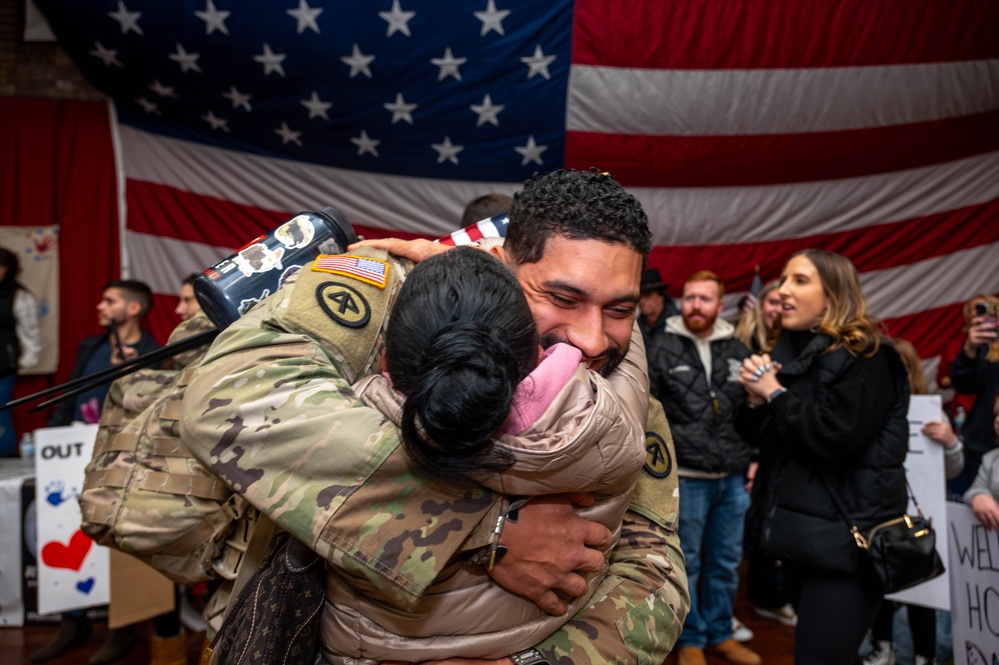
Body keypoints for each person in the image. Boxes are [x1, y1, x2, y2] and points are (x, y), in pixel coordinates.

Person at [181, 168, 689, 665]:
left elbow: (655, 570)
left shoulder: (624, 393)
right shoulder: (396, 307)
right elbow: (230, 401)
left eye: (621, 310)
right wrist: (486, 531)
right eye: (561, 298)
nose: (593, 339)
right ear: (499, 268)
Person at [317, 246, 648, 663]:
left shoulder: (356, 422)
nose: (591, 337)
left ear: (385, 361)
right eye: (563, 299)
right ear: (537, 353)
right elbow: (634, 365)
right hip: (533, 643)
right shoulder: (616, 421)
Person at [735, 249, 910, 665]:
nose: (782, 290)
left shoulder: (870, 357)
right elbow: (755, 438)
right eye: (783, 279)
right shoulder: (792, 354)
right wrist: (755, 402)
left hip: (850, 548)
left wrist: (775, 392)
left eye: (800, 280)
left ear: (832, 295)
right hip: (802, 541)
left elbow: (837, 440)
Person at [34, 280, 161, 663]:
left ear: (133, 308)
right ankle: (73, 622)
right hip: (70, 454)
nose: (100, 306)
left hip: (120, 461)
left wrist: (133, 374)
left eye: (110, 300)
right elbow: (71, 393)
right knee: (66, 530)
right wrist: (52, 431)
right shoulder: (89, 346)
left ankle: (120, 628)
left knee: (112, 540)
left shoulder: (155, 353)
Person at [647, 271, 759, 665]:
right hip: (688, 479)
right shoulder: (660, 348)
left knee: (727, 563)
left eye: (705, 299)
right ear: (683, 300)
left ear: (720, 304)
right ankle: (691, 639)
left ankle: (720, 633)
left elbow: (754, 411)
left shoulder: (739, 350)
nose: (697, 305)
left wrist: (754, 457)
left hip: (731, 477)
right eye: (691, 297)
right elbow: (649, 418)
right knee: (688, 563)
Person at [862, 338, 963, 665]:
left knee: (922, 585)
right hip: (881, 516)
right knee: (882, 582)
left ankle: (925, 655)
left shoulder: (932, 414)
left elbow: (952, 470)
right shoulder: (866, 410)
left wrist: (950, 444)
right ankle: (884, 647)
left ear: (911, 371)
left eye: (899, 368)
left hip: (921, 519)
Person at [732, 279, 799, 629]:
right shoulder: (745, 344)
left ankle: (770, 597)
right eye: (771, 302)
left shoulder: (790, 348)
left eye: (781, 303)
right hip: (748, 451)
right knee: (748, 534)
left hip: (774, 452)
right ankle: (756, 599)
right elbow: (742, 410)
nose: (776, 308)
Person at [949, 294, 999, 495]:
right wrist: (970, 350)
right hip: (982, 444)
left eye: (986, 311)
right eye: (972, 310)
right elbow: (963, 385)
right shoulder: (979, 347)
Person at [0, 247, 41, 456]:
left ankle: (4, 457)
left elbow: (31, 333)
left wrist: (24, 361)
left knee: (1, 414)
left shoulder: (19, 297)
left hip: (3, 367)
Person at [963, 391, 999, 532]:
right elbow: (974, 489)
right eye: (996, 414)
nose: (997, 419)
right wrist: (978, 496)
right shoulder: (991, 459)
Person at [638, 267, 678, 347]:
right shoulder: (636, 327)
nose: (641, 301)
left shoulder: (678, 323)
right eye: (639, 296)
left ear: (661, 296)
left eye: (647, 295)